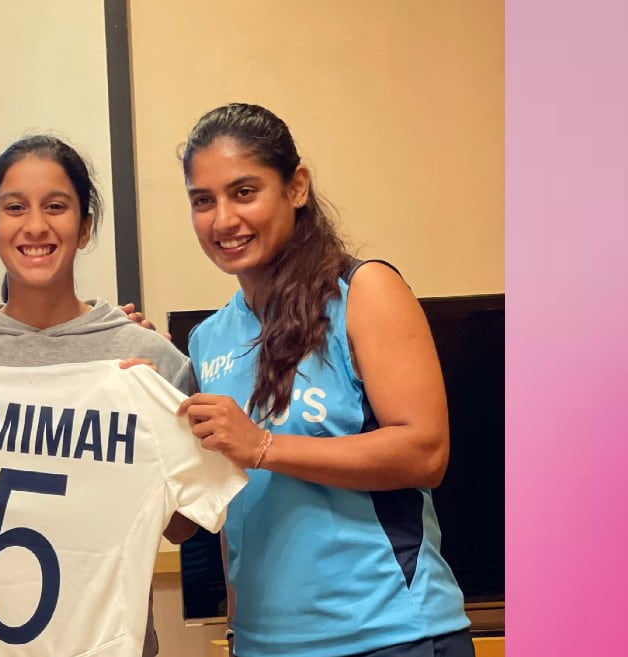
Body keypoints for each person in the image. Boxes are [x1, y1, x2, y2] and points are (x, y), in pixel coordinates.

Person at [174, 103, 471, 657]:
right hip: (265, 645)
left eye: (244, 192)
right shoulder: (207, 340)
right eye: (202, 200)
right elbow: (229, 508)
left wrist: (264, 446)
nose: (222, 220)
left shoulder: (365, 292)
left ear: (297, 187)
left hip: (391, 635)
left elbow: (425, 451)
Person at [0, 134, 200, 657]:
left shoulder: (150, 360)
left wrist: (152, 431)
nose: (35, 226)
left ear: (86, 225)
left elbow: (184, 528)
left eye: (56, 206)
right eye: (14, 208)